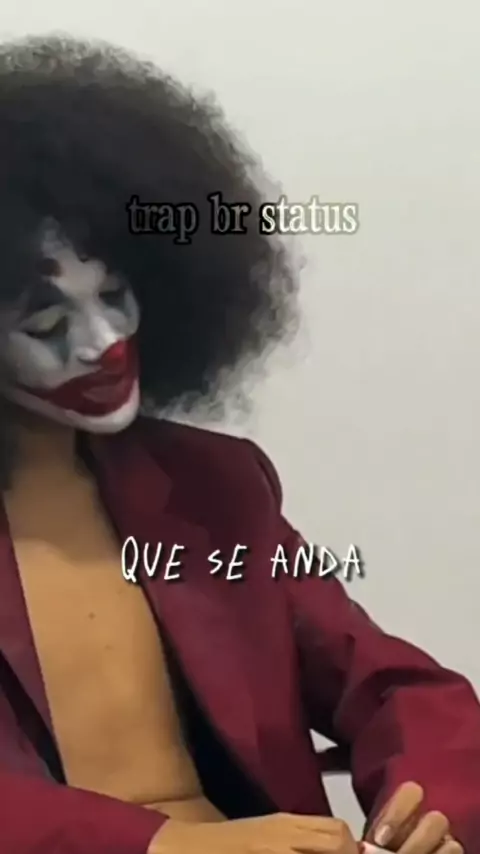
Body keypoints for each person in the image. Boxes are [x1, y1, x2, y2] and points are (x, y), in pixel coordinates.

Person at [0, 33, 478, 854]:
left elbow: (395, 687)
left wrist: (427, 810)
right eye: (47, 323)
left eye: (116, 293)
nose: (105, 342)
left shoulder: (214, 484)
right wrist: (162, 846)